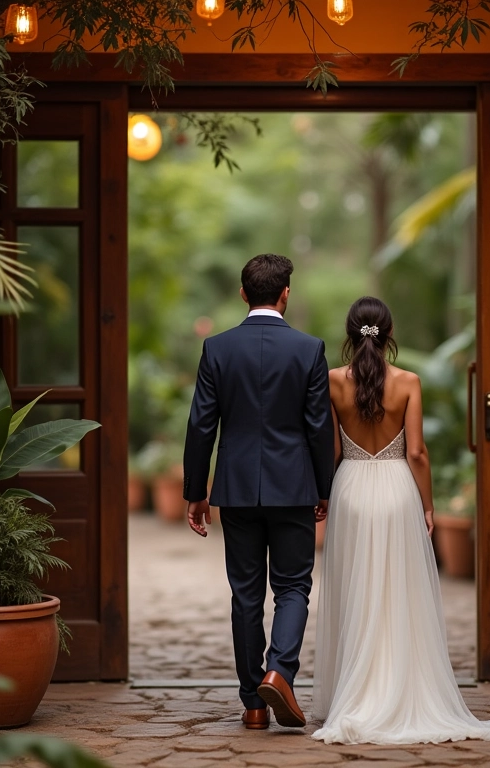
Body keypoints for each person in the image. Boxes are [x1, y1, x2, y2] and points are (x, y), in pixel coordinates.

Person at [312, 296, 490, 745]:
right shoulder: (408, 382)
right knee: (397, 591)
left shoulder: (332, 381)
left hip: (350, 489)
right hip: (397, 490)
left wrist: (324, 494)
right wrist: (428, 505)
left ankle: (355, 693)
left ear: (350, 334)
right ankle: (399, 688)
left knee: (355, 589)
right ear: (389, 333)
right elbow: (418, 453)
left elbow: (331, 450)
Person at [183, 253, 335, 731]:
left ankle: (253, 703)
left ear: (243, 294)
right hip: (294, 487)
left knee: (245, 594)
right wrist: (324, 487)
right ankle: (279, 672)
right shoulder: (309, 349)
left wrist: (195, 491)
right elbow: (319, 427)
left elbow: (200, 425)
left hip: (237, 488)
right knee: (293, 587)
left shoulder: (217, 349)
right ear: (286, 294)